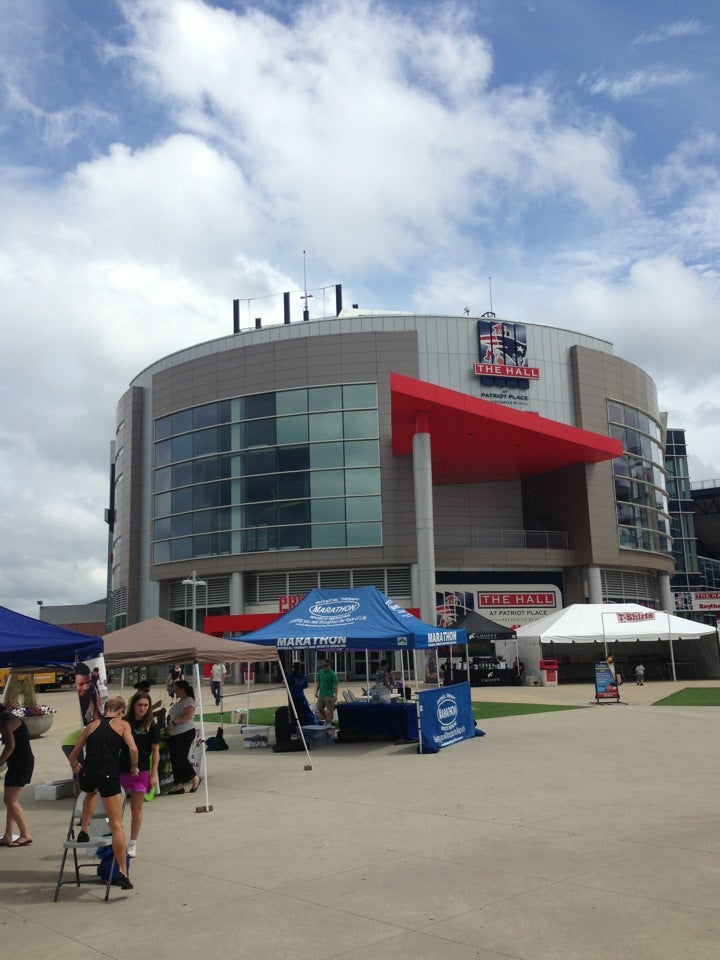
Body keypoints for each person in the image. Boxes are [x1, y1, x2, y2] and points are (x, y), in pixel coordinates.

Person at [67, 696, 137, 890]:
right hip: (109, 773)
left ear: (105, 709)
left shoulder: (90, 726)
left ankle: (84, 830)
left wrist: (75, 765)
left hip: (88, 772)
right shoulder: (122, 725)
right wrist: (134, 766)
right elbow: (133, 748)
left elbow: (74, 753)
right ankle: (123, 871)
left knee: (90, 792)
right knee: (116, 825)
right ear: (121, 710)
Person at [119, 691, 160, 858]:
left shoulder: (152, 725)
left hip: (142, 769)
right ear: (133, 705)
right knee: (116, 809)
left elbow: (155, 752)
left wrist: (153, 774)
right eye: (139, 705)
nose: (142, 708)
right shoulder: (124, 723)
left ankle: (132, 842)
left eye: (145, 705)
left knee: (136, 808)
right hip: (122, 768)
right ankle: (116, 839)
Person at [0, 702, 34, 847]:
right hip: (19, 762)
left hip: (21, 763)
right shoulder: (7, 717)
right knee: (10, 800)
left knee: (10, 800)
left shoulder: (5, 721)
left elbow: (10, 745)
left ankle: (25, 834)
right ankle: (8, 835)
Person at [166, 679, 200, 794]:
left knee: (181, 757)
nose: (175, 691)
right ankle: (178, 784)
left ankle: (194, 777)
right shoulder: (179, 702)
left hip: (185, 732)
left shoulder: (189, 700)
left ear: (182, 689)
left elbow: (188, 715)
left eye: (176, 689)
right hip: (174, 734)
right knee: (175, 759)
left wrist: (174, 722)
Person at [287, 661, 314, 729]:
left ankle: (294, 728)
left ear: (293, 668)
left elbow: (286, 683)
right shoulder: (303, 676)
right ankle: (301, 728)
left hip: (293, 697)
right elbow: (305, 686)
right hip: (301, 697)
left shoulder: (291, 676)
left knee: (293, 714)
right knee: (300, 713)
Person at [315, 659, 339, 727]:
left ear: (329, 666)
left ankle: (330, 723)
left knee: (330, 710)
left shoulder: (332, 674)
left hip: (329, 694)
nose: (324, 667)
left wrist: (336, 695)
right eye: (324, 665)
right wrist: (316, 691)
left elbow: (336, 685)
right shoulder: (320, 672)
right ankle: (327, 719)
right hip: (321, 694)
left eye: (326, 666)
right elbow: (319, 682)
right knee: (319, 708)